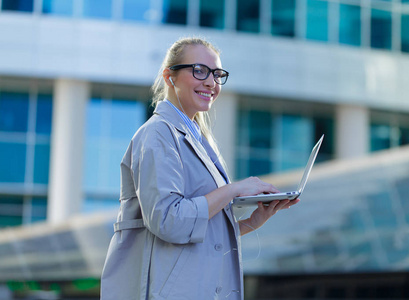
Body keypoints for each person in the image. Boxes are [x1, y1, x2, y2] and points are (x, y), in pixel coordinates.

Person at [100, 37, 299, 300]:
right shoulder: (158, 134)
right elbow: (169, 221)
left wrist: (251, 222)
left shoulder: (200, 140)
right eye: (199, 71)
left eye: (217, 74)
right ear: (169, 77)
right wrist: (235, 189)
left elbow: (200, 234)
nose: (211, 82)